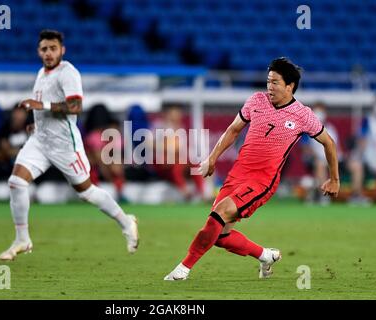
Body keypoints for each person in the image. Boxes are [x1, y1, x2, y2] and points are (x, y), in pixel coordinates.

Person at [164, 57, 340, 281]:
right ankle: (265, 255)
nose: (269, 86)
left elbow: (329, 143)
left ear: (290, 86)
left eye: (275, 82)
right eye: (268, 81)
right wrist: (212, 158)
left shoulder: (302, 115)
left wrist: (334, 178)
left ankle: (183, 269)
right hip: (237, 174)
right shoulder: (256, 101)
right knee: (218, 233)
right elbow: (233, 130)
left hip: (262, 182)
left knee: (219, 215)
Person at [0, 30, 138, 261]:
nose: (48, 53)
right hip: (40, 142)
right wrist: (37, 124)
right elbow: (49, 109)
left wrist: (39, 105)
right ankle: (22, 239)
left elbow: (75, 107)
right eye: (44, 49)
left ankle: (126, 221)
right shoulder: (41, 74)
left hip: (65, 145)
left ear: (62, 50)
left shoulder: (68, 72)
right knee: (16, 182)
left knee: (86, 192)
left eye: (53, 48)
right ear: (38, 51)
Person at [152, 105, 205, 202]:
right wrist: (167, 147)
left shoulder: (181, 129)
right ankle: (185, 192)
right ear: (168, 115)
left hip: (178, 161)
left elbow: (180, 149)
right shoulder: (159, 126)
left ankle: (202, 193)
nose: (177, 117)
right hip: (164, 164)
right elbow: (150, 143)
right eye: (174, 114)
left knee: (195, 167)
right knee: (176, 166)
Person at [83, 103, 127, 202]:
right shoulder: (94, 137)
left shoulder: (111, 137)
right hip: (94, 170)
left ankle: (118, 192)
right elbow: (99, 160)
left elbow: (117, 165)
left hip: (107, 169)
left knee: (115, 165)